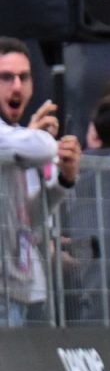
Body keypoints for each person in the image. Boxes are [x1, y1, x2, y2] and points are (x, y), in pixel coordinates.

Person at [0, 37, 81, 325]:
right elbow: (44, 148)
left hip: (24, 289)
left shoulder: (18, 141)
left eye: (24, 77)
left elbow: (29, 217)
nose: (17, 87)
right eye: (6, 77)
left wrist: (64, 180)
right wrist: (40, 138)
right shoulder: (19, 140)